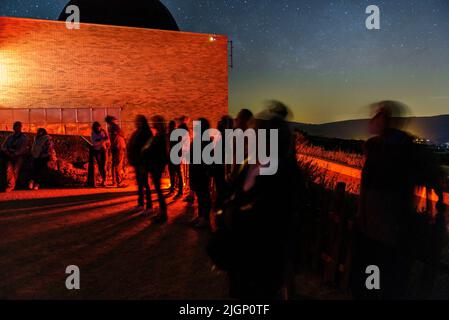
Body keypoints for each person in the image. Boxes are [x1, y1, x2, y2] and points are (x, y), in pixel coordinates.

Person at [351, 100, 444, 299]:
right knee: (380, 280)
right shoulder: (383, 147)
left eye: (379, 115)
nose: (373, 120)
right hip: (379, 231)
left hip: (384, 233)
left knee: (379, 281)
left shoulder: (395, 149)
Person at [212, 102, 301, 299]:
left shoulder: (284, 174)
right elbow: (233, 192)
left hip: (262, 261)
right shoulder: (251, 164)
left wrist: (231, 216)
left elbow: (268, 216)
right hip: (241, 257)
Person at [142, 115, 170, 223]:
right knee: (158, 190)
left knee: (159, 190)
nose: (153, 124)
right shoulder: (159, 135)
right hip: (155, 164)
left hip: (157, 165)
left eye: (155, 122)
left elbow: (162, 152)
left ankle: (163, 214)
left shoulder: (162, 136)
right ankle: (161, 212)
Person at [189, 118, 213, 229]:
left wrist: (205, 169)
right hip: (196, 169)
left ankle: (206, 218)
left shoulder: (206, 140)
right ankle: (200, 216)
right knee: (199, 195)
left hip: (201, 171)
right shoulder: (198, 139)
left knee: (204, 195)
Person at [127, 115, 153, 214]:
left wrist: (143, 162)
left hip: (143, 163)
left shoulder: (146, 132)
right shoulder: (138, 132)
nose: (135, 122)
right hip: (137, 162)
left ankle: (149, 206)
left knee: (145, 184)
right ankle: (141, 204)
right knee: (140, 184)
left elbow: (147, 148)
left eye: (137, 121)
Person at [1, 121, 29, 192]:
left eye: (16, 126)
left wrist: (14, 153)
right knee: (9, 170)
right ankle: (11, 186)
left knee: (15, 170)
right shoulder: (10, 137)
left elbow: (22, 148)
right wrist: (7, 151)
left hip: (18, 156)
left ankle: (11, 186)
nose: (15, 128)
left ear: (20, 127)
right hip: (10, 155)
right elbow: (3, 146)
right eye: (14, 126)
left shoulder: (23, 137)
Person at [105, 115, 127, 188]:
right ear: (112, 120)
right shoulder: (115, 126)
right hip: (119, 146)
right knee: (118, 164)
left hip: (114, 146)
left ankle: (114, 181)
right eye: (114, 119)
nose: (116, 120)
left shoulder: (109, 127)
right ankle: (119, 182)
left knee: (114, 164)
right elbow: (123, 134)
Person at [168, 120, 183, 199]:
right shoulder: (172, 133)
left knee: (177, 173)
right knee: (173, 174)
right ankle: (173, 188)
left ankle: (180, 191)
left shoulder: (175, 133)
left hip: (175, 156)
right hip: (172, 156)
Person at [91, 121, 109, 187]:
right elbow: (94, 143)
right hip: (97, 151)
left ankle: (104, 180)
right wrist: (102, 140)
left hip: (103, 150)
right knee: (100, 165)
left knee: (104, 165)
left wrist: (100, 140)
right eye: (97, 127)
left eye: (99, 127)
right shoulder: (93, 133)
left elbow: (107, 139)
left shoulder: (103, 132)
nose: (98, 128)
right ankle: (102, 179)